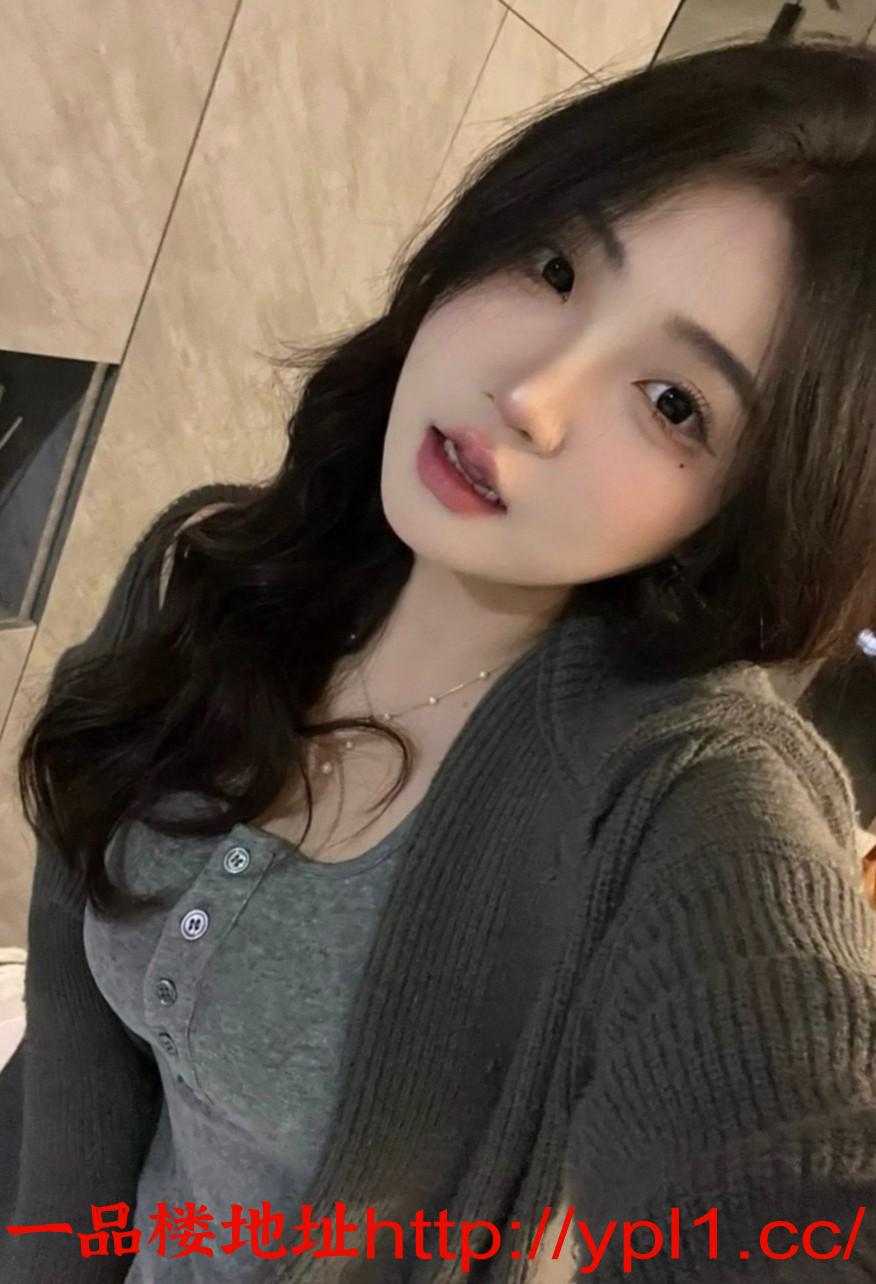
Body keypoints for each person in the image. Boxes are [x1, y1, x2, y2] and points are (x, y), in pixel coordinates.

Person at [2, 33, 876, 1284]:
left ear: (751, 505)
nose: (533, 394)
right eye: (556, 266)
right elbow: (75, 1018)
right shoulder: (217, 571)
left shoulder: (676, 794)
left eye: (675, 403)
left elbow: (787, 1147)